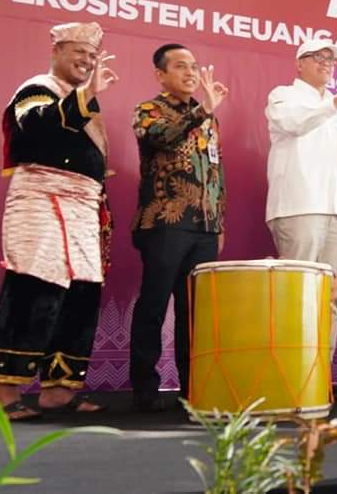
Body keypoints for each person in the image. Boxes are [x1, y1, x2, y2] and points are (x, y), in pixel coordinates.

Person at [0, 21, 118, 420]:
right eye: (79, 52)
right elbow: (38, 129)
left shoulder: (83, 100)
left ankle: (59, 391)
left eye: (92, 55)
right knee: (34, 287)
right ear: (57, 51)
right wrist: (87, 94)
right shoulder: (36, 89)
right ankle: (6, 394)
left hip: (82, 207)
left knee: (82, 293)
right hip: (41, 199)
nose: (87, 60)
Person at [129, 44, 228, 411]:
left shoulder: (209, 117)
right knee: (154, 305)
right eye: (181, 66)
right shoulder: (148, 110)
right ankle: (145, 389)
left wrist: (219, 220)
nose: (190, 73)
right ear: (160, 75)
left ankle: (193, 389)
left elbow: (216, 171)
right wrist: (204, 111)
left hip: (204, 228)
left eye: (194, 67)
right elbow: (163, 137)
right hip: (164, 223)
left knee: (194, 314)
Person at [265, 38, 337, 357]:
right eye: (317, 57)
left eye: (330, 59)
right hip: (300, 207)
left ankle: (318, 377)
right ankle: (289, 374)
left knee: (330, 297)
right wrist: (336, 102)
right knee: (298, 293)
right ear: (299, 63)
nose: (325, 63)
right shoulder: (284, 95)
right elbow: (294, 123)